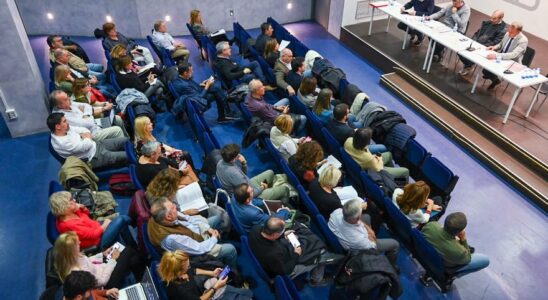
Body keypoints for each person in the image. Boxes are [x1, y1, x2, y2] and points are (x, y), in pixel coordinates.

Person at [148, 197, 238, 267]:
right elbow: (198, 249)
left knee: (218, 217)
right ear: (168, 217)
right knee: (231, 249)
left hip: (194, 232)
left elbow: (189, 218)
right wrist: (214, 238)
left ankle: (221, 239)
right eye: (173, 207)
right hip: (196, 250)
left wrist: (207, 228)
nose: (175, 207)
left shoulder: (162, 216)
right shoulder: (172, 239)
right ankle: (232, 272)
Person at [248, 217, 334, 286]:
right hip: (282, 268)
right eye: (282, 231)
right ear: (274, 235)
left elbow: (272, 237)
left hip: (265, 256)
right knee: (321, 258)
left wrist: (282, 235)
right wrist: (296, 254)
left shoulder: (255, 229)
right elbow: (285, 271)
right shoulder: (274, 253)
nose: (283, 231)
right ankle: (316, 280)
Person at [53, 232, 143, 289]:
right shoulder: (78, 272)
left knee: (131, 257)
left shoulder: (70, 257)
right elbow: (102, 281)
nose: (80, 243)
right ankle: (142, 277)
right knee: (128, 251)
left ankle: (140, 277)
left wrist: (102, 254)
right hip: (106, 282)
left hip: (101, 269)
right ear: (71, 251)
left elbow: (87, 260)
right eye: (77, 244)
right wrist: (112, 260)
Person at [49, 191, 133, 250]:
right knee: (121, 220)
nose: (74, 200)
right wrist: (104, 225)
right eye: (70, 200)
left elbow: (88, 216)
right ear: (64, 207)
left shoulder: (71, 211)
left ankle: (133, 245)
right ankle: (135, 223)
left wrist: (83, 208)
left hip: (97, 227)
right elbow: (92, 235)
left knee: (122, 224)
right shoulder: (69, 225)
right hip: (97, 241)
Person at [329, 199, 400, 266]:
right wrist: (372, 233)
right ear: (358, 217)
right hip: (361, 247)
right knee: (395, 244)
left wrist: (368, 229)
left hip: (347, 232)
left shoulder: (336, 212)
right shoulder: (358, 240)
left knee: (367, 217)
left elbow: (360, 222)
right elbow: (373, 245)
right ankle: (390, 266)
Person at [158, 250, 253, 300]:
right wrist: (215, 287)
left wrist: (212, 273)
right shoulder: (180, 290)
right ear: (179, 272)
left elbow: (193, 270)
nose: (189, 266)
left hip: (200, 292)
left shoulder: (179, 271)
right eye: (187, 266)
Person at [47, 113, 128, 169]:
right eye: (64, 121)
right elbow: (86, 146)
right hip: (95, 157)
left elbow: (83, 129)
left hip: (96, 145)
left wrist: (85, 137)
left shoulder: (64, 129)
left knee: (126, 141)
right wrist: (85, 137)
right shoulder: (63, 143)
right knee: (128, 155)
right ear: (58, 126)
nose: (67, 123)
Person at [216, 143, 291, 203]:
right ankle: (282, 207)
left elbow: (243, 175)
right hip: (251, 195)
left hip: (248, 184)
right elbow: (249, 193)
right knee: (285, 189)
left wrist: (243, 163)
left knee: (270, 172)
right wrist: (262, 187)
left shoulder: (220, 162)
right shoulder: (234, 174)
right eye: (238, 155)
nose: (240, 155)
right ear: (233, 159)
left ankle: (270, 195)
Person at [422, 212, 490, 276]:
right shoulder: (460, 252)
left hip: (424, 255)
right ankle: (452, 276)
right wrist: (463, 240)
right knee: (485, 260)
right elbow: (468, 258)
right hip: (442, 266)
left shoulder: (431, 225)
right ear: (460, 231)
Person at [171, 62, 237, 123]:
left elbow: (191, 88)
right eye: (191, 71)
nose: (193, 72)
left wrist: (201, 84)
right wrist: (207, 85)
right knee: (217, 94)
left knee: (216, 88)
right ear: (185, 73)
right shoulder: (184, 85)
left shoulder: (180, 77)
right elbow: (199, 97)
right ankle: (225, 113)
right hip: (196, 100)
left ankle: (225, 112)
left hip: (194, 93)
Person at [50, 90, 125, 140]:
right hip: (91, 134)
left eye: (68, 97)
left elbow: (86, 105)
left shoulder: (69, 103)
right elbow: (88, 124)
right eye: (66, 99)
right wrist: (86, 115)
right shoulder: (62, 117)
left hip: (95, 124)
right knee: (117, 130)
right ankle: (127, 147)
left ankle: (128, 139)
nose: (69, 99)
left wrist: (85, 115)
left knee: (117, 118)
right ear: (58, 106)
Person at [344, 128, 409, 181]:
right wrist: (380, 160)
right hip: (374, 169)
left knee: (389, 154)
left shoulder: (348, 141)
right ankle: (391, 179)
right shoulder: (368, 158)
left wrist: (373, 157)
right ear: (367, 142)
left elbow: (365, 154)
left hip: (364, 161)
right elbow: (378, 169)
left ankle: (391, 179)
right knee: (405, 171)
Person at [457, 10, 507, 76]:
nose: (491, 20)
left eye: (494, 18)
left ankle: (468, 66)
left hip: (486, 48)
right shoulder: (487, 23)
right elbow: (477, 33)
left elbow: (495, 42)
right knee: (459, 51)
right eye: (491, 17)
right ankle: (468, 65)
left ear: (500, 18)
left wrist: (481, 46)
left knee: (471, 54)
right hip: (476, 44)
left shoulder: (502, 30)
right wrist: (473, 41)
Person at [482, 22, 528, 90]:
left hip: (511, 62)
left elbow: (514, 54)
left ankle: (495, 80)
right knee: (485, 68)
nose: (509, 33)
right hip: (501, 57)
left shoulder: (523, 40)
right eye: (509, 30)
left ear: (518, 32)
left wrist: (497, 55)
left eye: (511, 32)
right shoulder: (507, 33)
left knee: (490, 69)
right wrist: (494, 47)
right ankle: (496, 80)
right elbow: (501, 44)